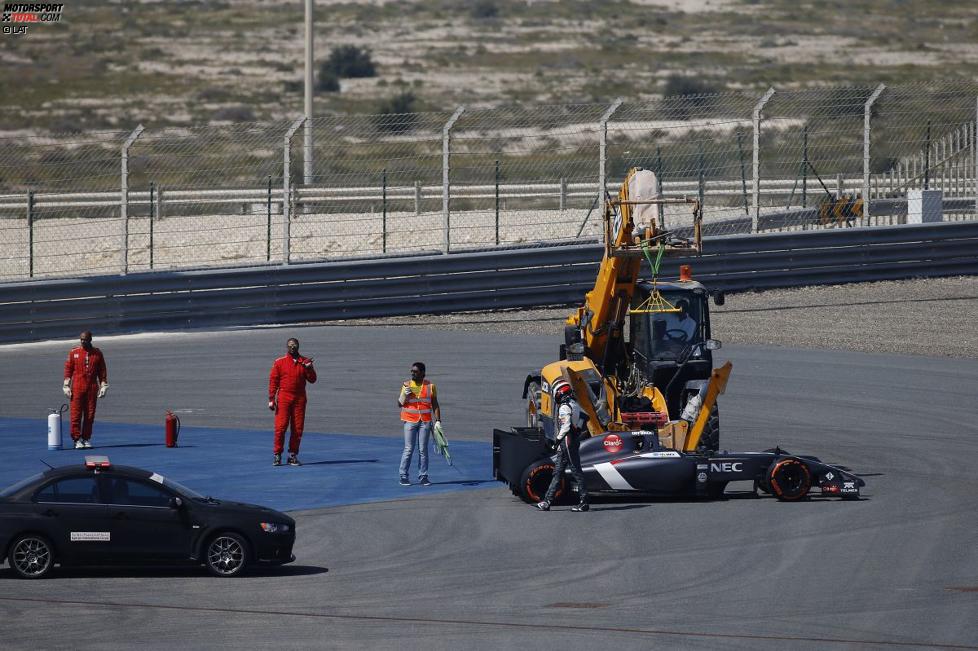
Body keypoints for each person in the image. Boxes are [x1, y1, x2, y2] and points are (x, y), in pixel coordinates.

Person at [536, 380, 589, 512]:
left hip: (567, 442)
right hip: (570, 442)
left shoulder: (564, 407)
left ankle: (584, 502)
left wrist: (557, 441)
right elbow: (585, 417)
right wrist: (577, 430)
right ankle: (547, 501)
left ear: (559, 393)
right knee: (557, 472)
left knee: (576, 471)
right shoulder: (575, 404)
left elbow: (565, 426)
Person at [268, 338, 317, 466]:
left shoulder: (304, 362)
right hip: (284, 397)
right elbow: (273, 381)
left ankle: (292, 455)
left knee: (297, 429)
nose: (292, 347)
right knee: (280, 427)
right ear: (287, 347)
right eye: (290, 345)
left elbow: (313, 379)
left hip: (299, 399)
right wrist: (271, 399)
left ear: (298, 346)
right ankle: (277, 455)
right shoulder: (279, 362)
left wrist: (309, 368)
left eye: (294, 345)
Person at [397, 362, 441, 486]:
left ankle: (423, 476)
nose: (412, 373)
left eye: (415, 372)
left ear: (422, 373)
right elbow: (399, 404)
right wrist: (403, 395)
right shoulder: (406, 385)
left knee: (423, 450)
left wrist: (438, 421)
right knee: (408, 449)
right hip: (410, 420)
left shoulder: (430, 386)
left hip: (425, 421)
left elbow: (435, 404)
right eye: (412, 371)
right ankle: (403, 475)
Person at [62, 330, 108, 450]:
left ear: (90, 340)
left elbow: (102, 371)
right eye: (81, 339)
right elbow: (68, 369)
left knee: (90, 415)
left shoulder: (97, 353)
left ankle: (86, 438)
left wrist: (103, 386)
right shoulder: (74, 352)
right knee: (75, 415)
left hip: (92, 387)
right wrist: (66, 385)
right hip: (77, 387)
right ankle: (76, 439)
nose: (83, 341)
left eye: (85, 340)